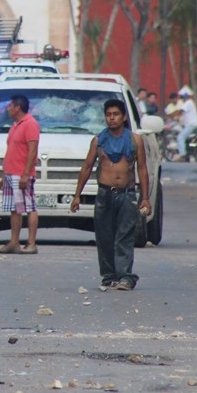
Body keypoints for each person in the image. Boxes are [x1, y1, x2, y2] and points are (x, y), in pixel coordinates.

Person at [70, 99, 151, 290]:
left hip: (127, 194)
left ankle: (125, 277)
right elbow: (87, 167)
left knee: (125, 236)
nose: (112, 118)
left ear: (123, 117)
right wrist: (77, 195)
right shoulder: (98, 141)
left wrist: (145, 197)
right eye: (108, 115)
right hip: (104, 194)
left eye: (115, 114)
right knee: (104, 236)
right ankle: (109, 276)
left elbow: (142, 169)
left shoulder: (135, 140)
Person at [0, 94, 40, 255]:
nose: (8, 109)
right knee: (15, 208)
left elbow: (32, 151)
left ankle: (31, 243)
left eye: (10, 106)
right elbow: (11, 151)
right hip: (11, 173)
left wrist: (26, 174)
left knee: (29, 207)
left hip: (22, 174)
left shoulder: (30, 124)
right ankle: (14, 242)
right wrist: (3, 175)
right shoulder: (15, 125)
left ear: (17, 107)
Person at [175, 87, 197, 161]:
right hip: (191, 124)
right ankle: (188, 154)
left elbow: (180, 111)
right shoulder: (189, 103)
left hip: (191, 125)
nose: (181, 98)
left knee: (180, 137)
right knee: (186, 138)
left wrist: (171, 115)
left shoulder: (188, 102)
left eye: (181, 97)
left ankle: (182, 154)